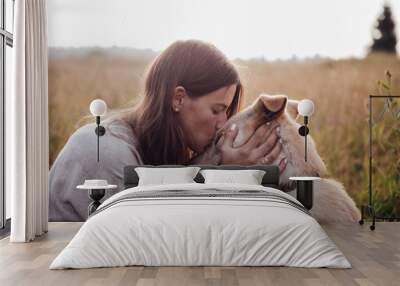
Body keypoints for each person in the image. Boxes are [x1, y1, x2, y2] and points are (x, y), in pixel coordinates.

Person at [49, 40, 287, 221]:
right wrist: (226, 174)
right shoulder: (106, 153)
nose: (222, 124)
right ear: (178, 98)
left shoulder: (149, 145)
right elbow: (157, 232)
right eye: (216, 110)